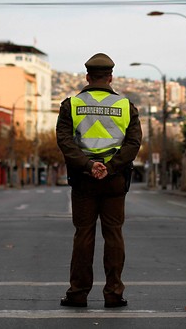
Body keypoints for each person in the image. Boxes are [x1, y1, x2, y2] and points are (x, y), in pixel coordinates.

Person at [56, 53, 142, 308]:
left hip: (84, 179)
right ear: (110, 77)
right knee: (114, 234)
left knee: (83, 235)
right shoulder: (126, 106)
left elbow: (64, 141)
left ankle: (78, 293)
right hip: (114, 180)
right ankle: (114, 293)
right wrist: (111, 166)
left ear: (87, 77)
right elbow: (133, 143)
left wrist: (88, 164)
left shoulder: (71, 105)